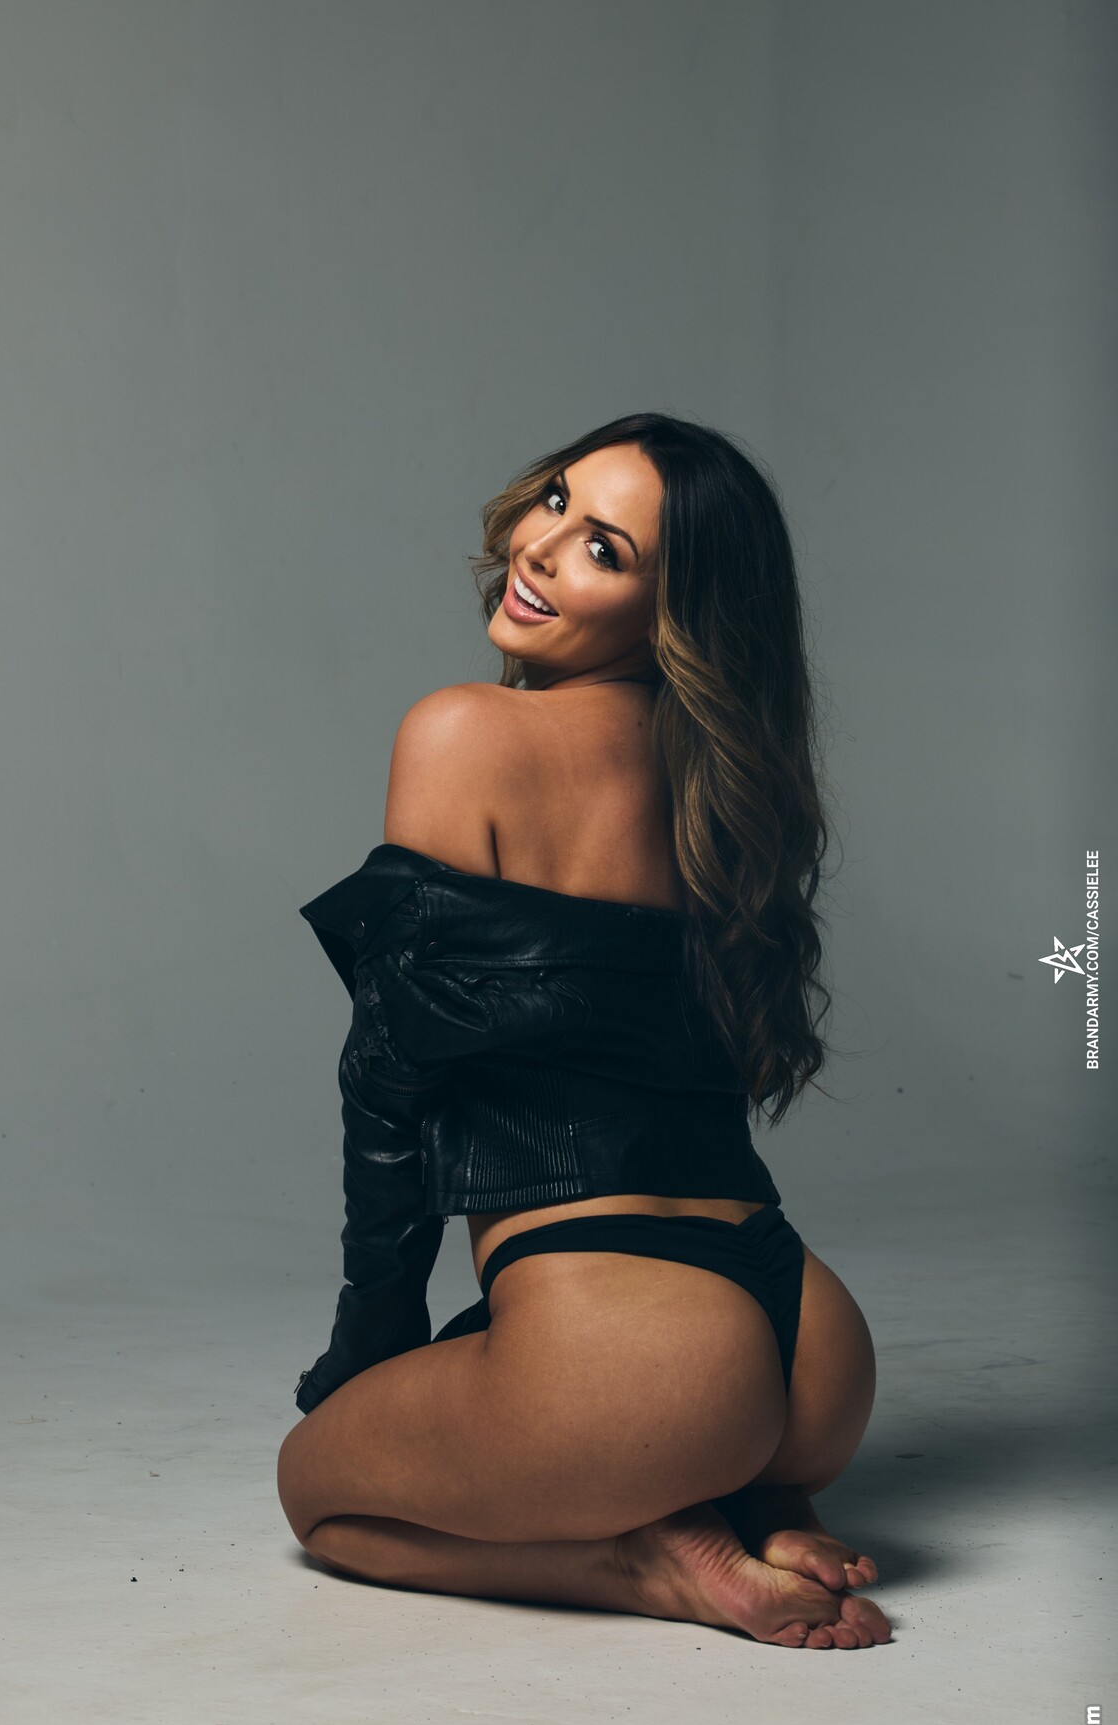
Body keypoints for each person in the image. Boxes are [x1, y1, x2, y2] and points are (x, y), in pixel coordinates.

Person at [276, 411, 892, 1650]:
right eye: (555, 500)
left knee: (321, 1498)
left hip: (639, 1366)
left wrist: (372, 1347)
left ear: (672, 613)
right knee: (613, 1411)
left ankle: (648, 1560)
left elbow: (391, 1081)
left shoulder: (465, 732)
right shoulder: (729, 788)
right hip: (808, 1346)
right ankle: (767, 1501)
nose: (541, 548)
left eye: (605, 550)